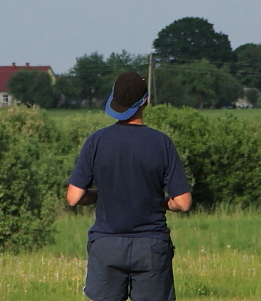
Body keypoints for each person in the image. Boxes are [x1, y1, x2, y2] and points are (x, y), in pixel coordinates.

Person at [67, 71, 192, 301]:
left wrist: (101, 195)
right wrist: (159, 201)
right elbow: (183, 202)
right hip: (151, 246)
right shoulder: (161, 142)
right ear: (146, 101)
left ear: (114, 100)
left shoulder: (96, 141)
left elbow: (74, 197)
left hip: (106, 244)